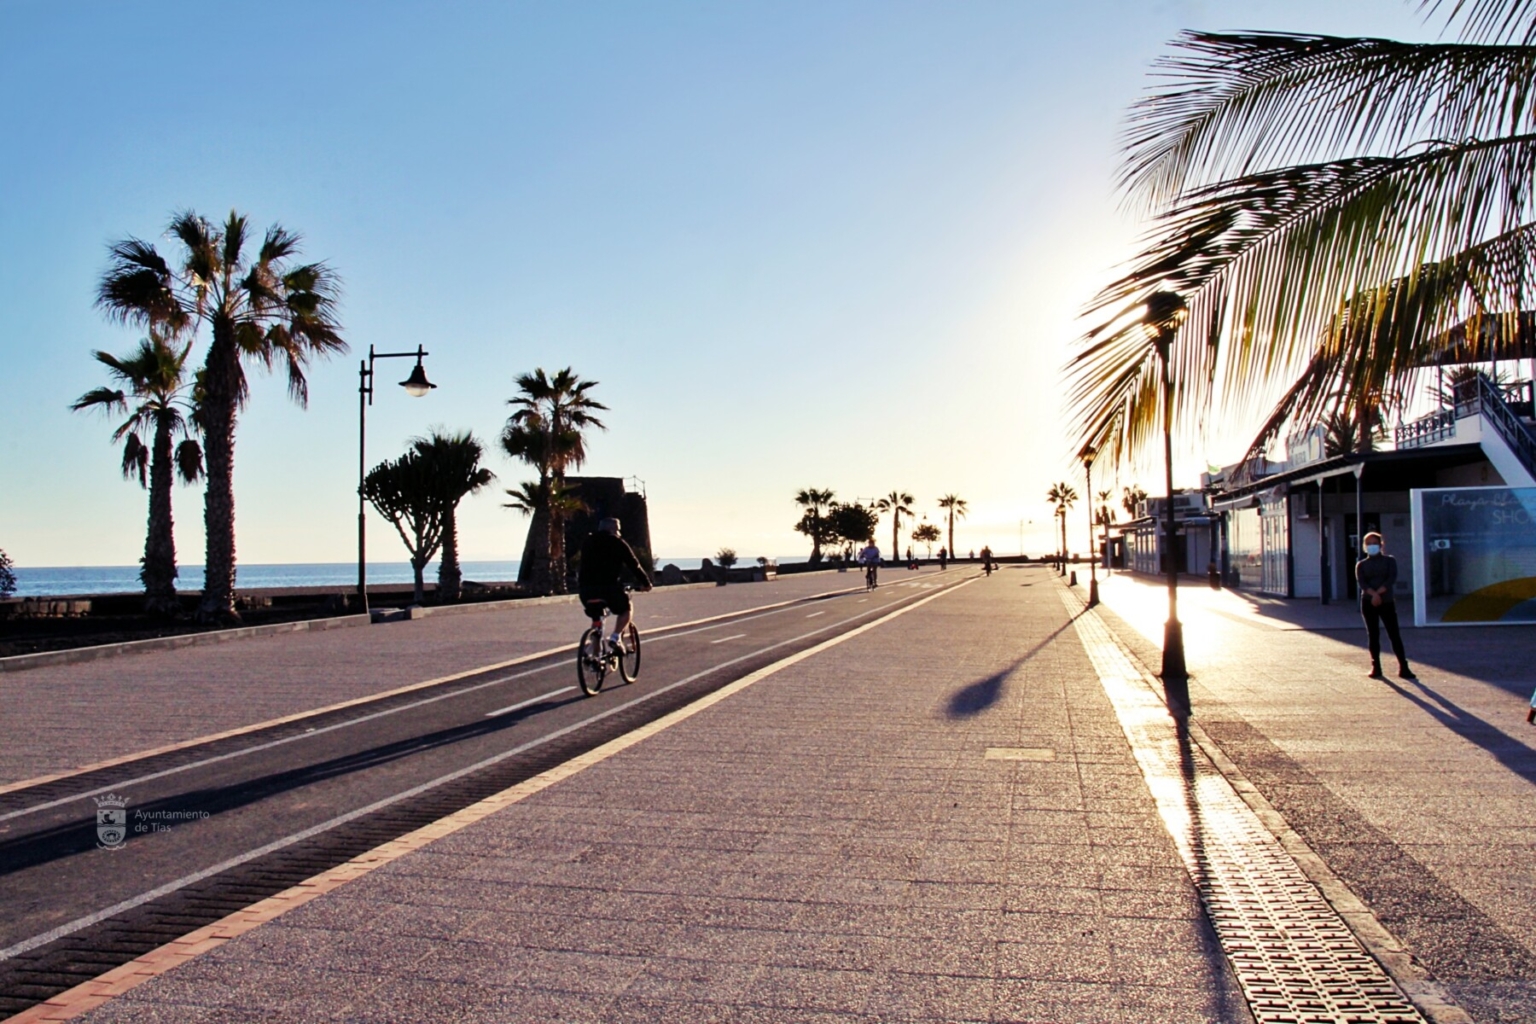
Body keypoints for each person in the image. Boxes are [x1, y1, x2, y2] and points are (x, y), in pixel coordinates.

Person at [577, 518, 652, 652]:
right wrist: (646, 583)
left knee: (597, 617)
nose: (619, 533)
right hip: (609, 588)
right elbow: (634, 565)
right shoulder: (617, 542)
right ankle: (616, 637)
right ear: (613, 529)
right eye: (618, 530)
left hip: (586, 590)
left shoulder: (587, 542)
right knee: (626, 609)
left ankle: (594, 655)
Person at [1356, 532, 1415, 680]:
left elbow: (1391, 579)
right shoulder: (1361, 564)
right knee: (1373, 634)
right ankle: (1376, 666)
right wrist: (1373, 595)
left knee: (1394, 634)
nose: (1371, 546)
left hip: (1387, 601)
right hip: (1368, 602)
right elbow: (1362, 583)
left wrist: (1379, 593)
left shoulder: (1389, 561)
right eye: (1368, 543)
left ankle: (1403, 666)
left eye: (1374, 543)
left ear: (1381, 544)